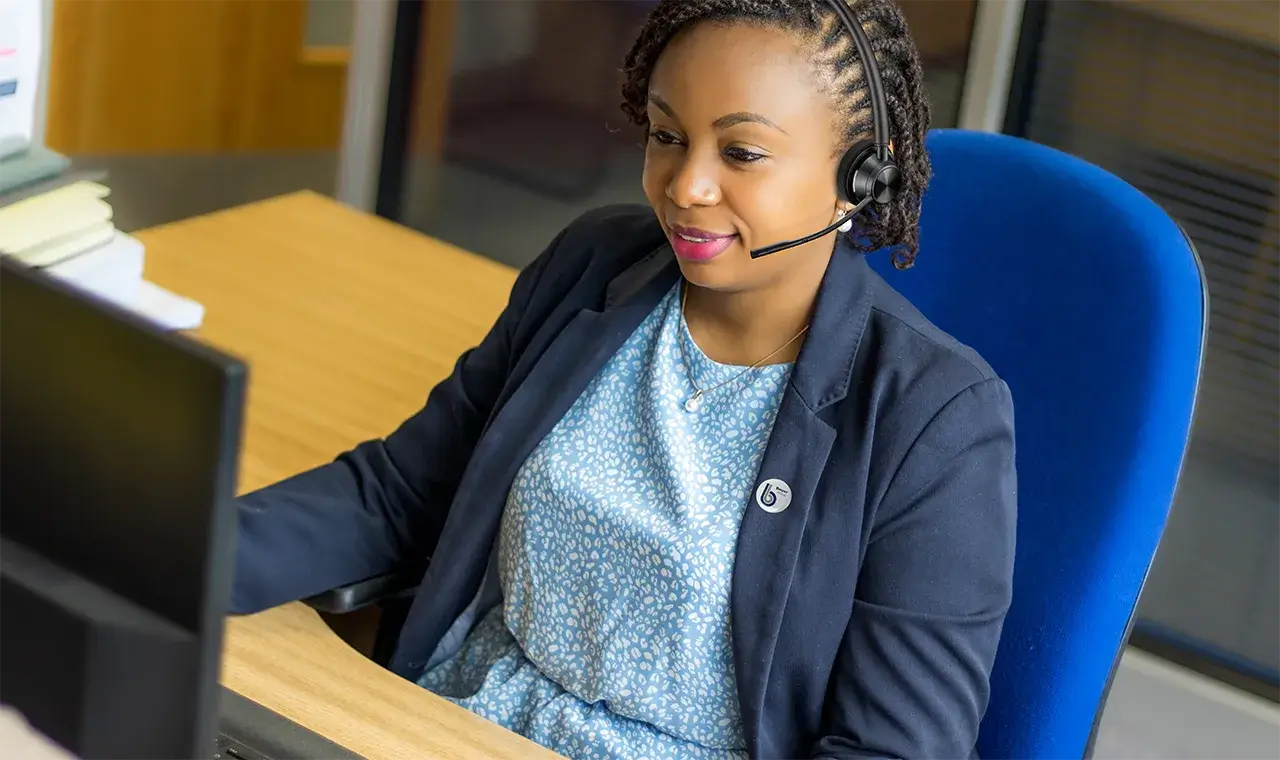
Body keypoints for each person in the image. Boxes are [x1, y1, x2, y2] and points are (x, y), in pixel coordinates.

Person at [231, 0, 1017, 758]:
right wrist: (166, 546)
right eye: (667, 135)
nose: (685, 186)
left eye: (740, 153)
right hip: (448, 722)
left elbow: (891, 749)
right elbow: (399, 492)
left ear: (860, 180)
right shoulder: (594, 264)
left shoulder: (935, 417)